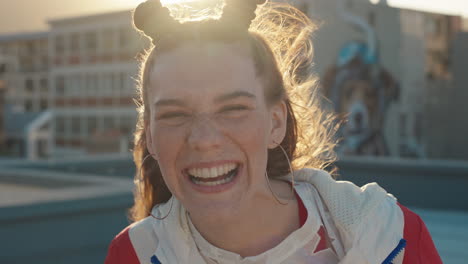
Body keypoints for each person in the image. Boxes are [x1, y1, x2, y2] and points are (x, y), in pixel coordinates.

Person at [105, 0, 442, 263]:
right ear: (150, 135)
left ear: (276, 123)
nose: (204, 140)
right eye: (175, 114)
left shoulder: (389, 236)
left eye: (233, 109)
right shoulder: (132, 255)